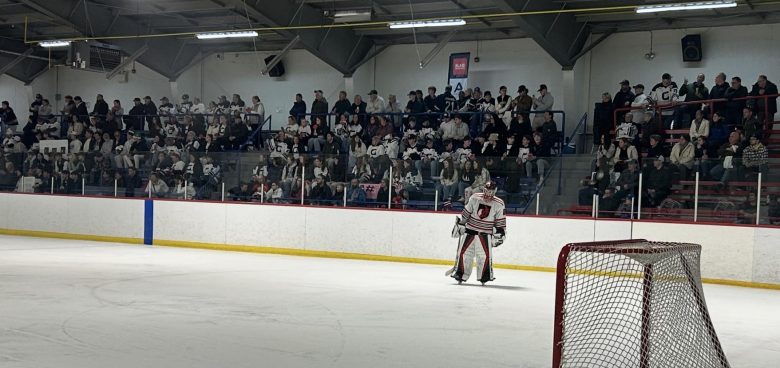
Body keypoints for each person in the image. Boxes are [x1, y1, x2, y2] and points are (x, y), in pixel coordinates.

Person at [445, 181, 506, 285]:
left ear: (495, 191)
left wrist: (500, 234)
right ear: (484, 189)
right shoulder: (474, 197)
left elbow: (500, 223)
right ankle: (460, 274)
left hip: (485, 234)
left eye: (491, 191)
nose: (489, 193)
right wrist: (461, 224)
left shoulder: (499, 204)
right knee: (464, 254)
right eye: (487, 191)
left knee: (484, 256)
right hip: (470, 231)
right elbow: (466, 214)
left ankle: (484, 276)